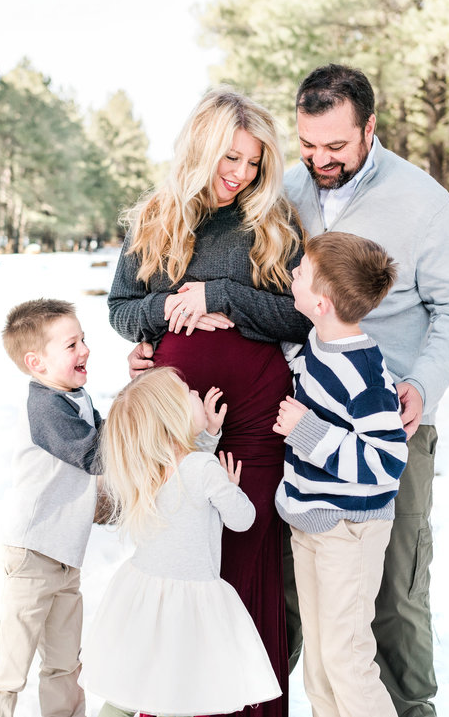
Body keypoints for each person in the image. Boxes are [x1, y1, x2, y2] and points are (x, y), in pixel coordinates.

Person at [283, 64, 449, 717]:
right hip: (306, 429)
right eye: (308, 145)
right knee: (305, 595)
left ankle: (411, 707)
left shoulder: (422, 200)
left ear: (371, 128)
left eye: (336, 146)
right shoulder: (288, 191)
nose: (320, 160)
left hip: (391, 424)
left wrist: (422, 385)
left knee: (395, 586)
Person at [111, 87, 310, 717]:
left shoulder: (271, 224)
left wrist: (221, 294)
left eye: (253, 163)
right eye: (230, 159)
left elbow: (299, 316)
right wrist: (165, 311)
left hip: (257, 422)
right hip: (172, 428)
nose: (240, 175)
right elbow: (120, 310)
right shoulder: (154, 219)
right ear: (199, 147)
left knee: (247, 561)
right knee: (181, 566)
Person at [83, 367, 283, 717]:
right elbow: (242, 519)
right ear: (174, 417)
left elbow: (182, 469)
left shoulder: (146, 467)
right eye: (188, 392)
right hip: (188, 605)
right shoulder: (205, 469)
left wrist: (207, 436)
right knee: (181, 693)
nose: (197, 393)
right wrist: (230, 488)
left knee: (129, 690)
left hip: (143, 596)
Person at [273, 232, 407, 717]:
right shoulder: (320, 344)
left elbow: (386, 463)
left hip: (350, 531)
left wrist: (307, 431)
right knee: (320, 663)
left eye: (301, 273)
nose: (293, 276)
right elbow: (308, 370)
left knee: (346, 659)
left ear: (322, 303)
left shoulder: (364, 374)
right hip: (312, 524)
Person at [0, 299, 102, 717]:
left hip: (65, 555)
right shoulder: (46, 407)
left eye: (83, 339)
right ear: (37, 363)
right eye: (71, 345)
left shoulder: (75, 396)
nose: (85, 349)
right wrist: (143, 407)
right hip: (32, 553)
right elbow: (97, 455)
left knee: (66, 663)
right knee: (8, 666)